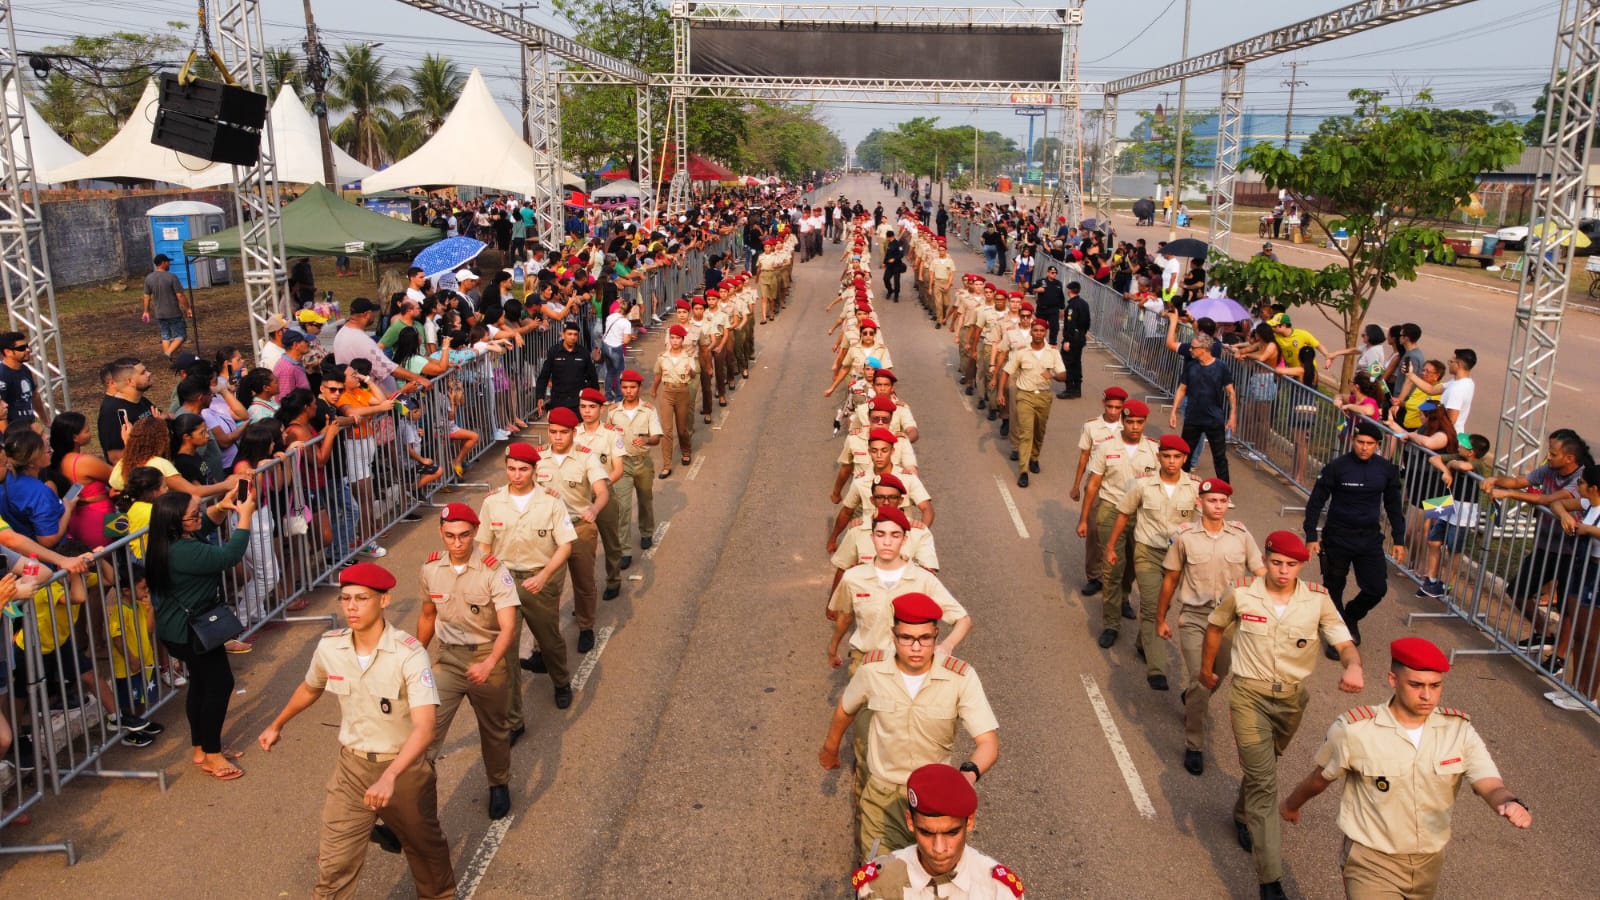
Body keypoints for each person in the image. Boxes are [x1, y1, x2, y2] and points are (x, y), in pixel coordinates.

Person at [257, 562, 456, 899]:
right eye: (345, 598)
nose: (351, 606)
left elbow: (425, 728)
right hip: (352, 768)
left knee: (424, 850)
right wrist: (277, 724)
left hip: (403, 770)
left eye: (361, 598)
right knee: (334, 863)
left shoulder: (408, 655)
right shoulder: (330, 646)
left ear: (384, 601)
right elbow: (311, 687)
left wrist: (390, 776)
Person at [1281, 637, 1531, 899]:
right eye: (1416, 685)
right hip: (1371, 862)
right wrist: (1291, 804)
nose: (1426, 695)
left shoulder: (1459, 731)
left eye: (1435, 686)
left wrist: (1510, 802)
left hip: (1428, 864)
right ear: (1393, 680)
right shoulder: (1355, 730)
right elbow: (1320, 778)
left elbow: (1490, 785)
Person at [1199, 530, 1364, 900]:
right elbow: (1214, 626)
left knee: (1266, 765)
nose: (1283, 571)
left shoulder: (1317, 601)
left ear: (1301, 567)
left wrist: (1352, 666)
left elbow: (1343, 642)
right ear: (1267, 560)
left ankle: (1242, 813)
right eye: (1276, 563)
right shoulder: (1242, 592)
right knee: (1264, 782)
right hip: (1248, 695)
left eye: (1291, 565)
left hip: (1291, 701)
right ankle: (1270, 880)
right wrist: (1207, 670)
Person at [819, 593, 999, 861]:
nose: (916, 647)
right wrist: (830, 747)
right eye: (907, 638)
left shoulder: (960, 677)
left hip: (934, 805)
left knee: (934, 878)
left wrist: (967, 775)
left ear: (936, 636)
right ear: (894, 636)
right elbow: (846, 708)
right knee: (879, 877)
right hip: (884, 798)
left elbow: (988, 742)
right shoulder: (873, 670)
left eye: (925, 638)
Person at [145, 485, 257, 781]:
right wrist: (244, 516)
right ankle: (212, 754)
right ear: (176, 522)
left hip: (180, 630)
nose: (198, 518)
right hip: (193, 632)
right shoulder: (185, 551)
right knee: (220, 684)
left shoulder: (167, 539)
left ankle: (201, 748)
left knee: (201, 685)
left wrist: (222, 506)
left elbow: (206, 522)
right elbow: (229, 555)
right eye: (193, 515)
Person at [416, 503, 520, 819]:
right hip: (448, 659)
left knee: (494, 730)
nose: (457, 543)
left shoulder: (494, 571)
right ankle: (412, 810)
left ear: (475, 532)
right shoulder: (431, 569)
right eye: (450, 536)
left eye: (464, 536)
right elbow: (427, 615)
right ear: (441, 534)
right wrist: (416, 658)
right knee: (424, 732)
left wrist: (489, 665)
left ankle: (498, 783)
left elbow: (509, 627)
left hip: (486, 656)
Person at [1156, 478, 1264, 776]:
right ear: (1199, 503)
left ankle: (1192, 697)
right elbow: (1170, 579)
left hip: (1229, 620)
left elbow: (1260, 570)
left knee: (1217, 675)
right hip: (1195, 616)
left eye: (1222, 501)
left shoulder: (1241, 535)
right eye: (1211, 500)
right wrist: (1160, 618)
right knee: (1200, 678)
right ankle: (1195, 745)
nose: (1217, 506)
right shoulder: (1185, 536)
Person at [477, 441, 578, 711]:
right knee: (506, 650)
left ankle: (561, 682)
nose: (516, 475)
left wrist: (544, 576)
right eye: (511, 469)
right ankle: (513, 718)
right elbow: (484, 546)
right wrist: (489, 576)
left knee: (549, 639)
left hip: (538, 581)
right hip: (504, 583)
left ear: (534, 469)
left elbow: (566, 545)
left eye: (523, 469)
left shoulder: (552, 502)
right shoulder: (492, 503)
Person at [1304, 420, 1407, 656]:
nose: (1364, 447)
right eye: (1360, 442)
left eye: (1370, 444)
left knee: (1376, 588)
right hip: (1337, 537)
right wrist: (1311, 535)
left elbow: (1393, 507)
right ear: (1353, 441)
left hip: (1369, 539)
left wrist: (1399, 540)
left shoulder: (1385, 470)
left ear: (1377, 445)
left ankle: (1350, 616)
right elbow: (1316, 502)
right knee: (1334, 587)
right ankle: (1337, 635)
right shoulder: (1337, 467)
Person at [851, 763, 1025, 899]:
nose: (939, 849)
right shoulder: (878, 883)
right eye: (927, 833)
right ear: (910, 822)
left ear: (970, 821)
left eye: (952, 832)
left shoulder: (998, 891)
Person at [1107, 434, 1199, 689]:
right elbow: (1124, 514)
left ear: (1184, 458)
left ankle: (1142, 641)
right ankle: (1157, 668)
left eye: (1177, 457)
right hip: (1147, 551)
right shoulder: (1142, 485)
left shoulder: (1194, 489)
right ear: (1158, 457)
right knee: (1150, 605)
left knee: (1162, 605)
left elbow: (1206, 521)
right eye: (1166, 456)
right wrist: (1112, 546)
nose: (1171, 462)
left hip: (1177, 558)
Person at [1078, 399, 1158, 648]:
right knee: (1112, 568)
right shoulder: (1105, 448)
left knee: (1133, 563)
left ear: (1145, 423)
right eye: (1130, 421)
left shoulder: (1155, 450)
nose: (1134, 427)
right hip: (1111, 511)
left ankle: (1124, 597)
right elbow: (1093, 484)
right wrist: (1084, 518)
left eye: (1139, 422)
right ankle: (1111, 624)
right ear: (1122, 421)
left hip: (1141, 514)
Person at [537, 406, 611, 653]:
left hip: (579, 528)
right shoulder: (537, 460)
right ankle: (543, 644)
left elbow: (601, 491)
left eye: (563, 432)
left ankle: (586, 627)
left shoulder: (586, 457)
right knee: (548, 587)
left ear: (573, 433)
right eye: (553, 432)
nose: (557, 437)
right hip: (549, 534)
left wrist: (595, 509)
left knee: (583, 581)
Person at [996, 318, 1066, 488]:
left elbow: (1064, 375)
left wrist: (1054, 376)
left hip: (1043, 397)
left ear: (1046, 332)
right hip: (1024, 396)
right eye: (1035, 330)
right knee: (1026, 432)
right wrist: (1000, 393)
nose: (1038, 334)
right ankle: (1024, 470)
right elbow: (1007, 372)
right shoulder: (1022, 352)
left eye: (1042, 331)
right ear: (1032, 332)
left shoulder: (1053, 353)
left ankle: (1034, 457)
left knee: (1039, 431)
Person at [1071, 387, 1125, 596]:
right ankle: (1094, 576)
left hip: (1121, 487)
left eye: (1118, 408)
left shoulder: (1128, 426)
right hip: (1096, 484)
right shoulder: (1092, 426)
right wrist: (1076, 485)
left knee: (1120, 535)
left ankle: (1116, 581)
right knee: (1093, 532)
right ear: (1104, 404)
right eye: (1110, 406)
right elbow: (1084, 456)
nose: (1113, 411)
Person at [607, 370, 662, 562]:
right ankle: (625, 550)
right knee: (622, 507)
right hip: (622, 465)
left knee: (645, 500)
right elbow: (607, 438)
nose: (628, 391)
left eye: (632, 387)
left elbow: (657, 437)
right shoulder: (613, 412)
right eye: (624, 387)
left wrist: (646, 440)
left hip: (642, 463)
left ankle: (646, 531)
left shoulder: (648, 410)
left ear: (639, 388)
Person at [1170, 336, 1236, 485]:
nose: (1190, 350)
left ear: (1204, 349)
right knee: (1185, 453)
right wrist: (1174, 411)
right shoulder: (1191, 366)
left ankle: (1225, 491)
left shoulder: (1221, 367)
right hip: (1193, 417)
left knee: (1219, 457)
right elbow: (1182, 389)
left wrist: (1232, 416)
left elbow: (1230, 391)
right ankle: (1180, 485)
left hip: (1214, 419)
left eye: (1193, 348)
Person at [651, 324, 698, 476]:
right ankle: (667, 465)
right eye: (672, 337)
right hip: (667, 392)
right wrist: (653, 389)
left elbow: (693, 375)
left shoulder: (688, 357)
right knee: (666, 431)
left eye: (678, 338)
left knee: (682, 429)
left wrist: (690, 370)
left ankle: (686, 450)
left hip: (682, 392)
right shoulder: (662, 357)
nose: (675, 340)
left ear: (682, 340)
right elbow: (658, 374)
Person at [96, 357, 157, 464]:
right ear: (130, 381)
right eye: (143, 373)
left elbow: (162, 416)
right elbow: (115, 457)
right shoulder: (112, 413)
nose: (149, 373)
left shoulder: (140, 400)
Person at [534, 322, 599, 421]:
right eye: (569, 334)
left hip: (578, 401)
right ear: (563, 334)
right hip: (558, 400)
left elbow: (592, 376)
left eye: (575, 334)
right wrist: (540, 396)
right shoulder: (554, 352)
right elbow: (544, 376)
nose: (573, 337)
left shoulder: (583, 353)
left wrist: (595, 398)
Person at [142, 254, 191, 357]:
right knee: (181, 335)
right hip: (173, 312)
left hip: (159, 314)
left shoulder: (149, 278)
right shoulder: (171, 277)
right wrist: (188, 308)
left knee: (166, 337)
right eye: (168, 262)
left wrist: (146, 311)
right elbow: (180, 295)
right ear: (163, 263)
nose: (169, 264)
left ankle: (169, 359)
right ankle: (168, 353)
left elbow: (146, 296)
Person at [0, 332, 48, 428]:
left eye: (27, 346)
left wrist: (45, 420)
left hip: (27, 429)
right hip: (14, 434)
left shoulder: (25, 370)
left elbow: (35, 396)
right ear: (7, 352)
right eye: (21, 348)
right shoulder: (2, 375)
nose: (27, 350)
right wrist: (8, 438)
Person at [1058, 281, 1092, 400]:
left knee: (1068, 363)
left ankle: (1070, 389)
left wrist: (1068, 340)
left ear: (1069, 290)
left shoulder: (1072, 305)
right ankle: (1077, 388)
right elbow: (1088, 321)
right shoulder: (1084, 303)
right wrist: (1082, 334)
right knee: (1077, 363)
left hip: (1072, 337)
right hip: (1081, 336)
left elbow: (1071, 323)